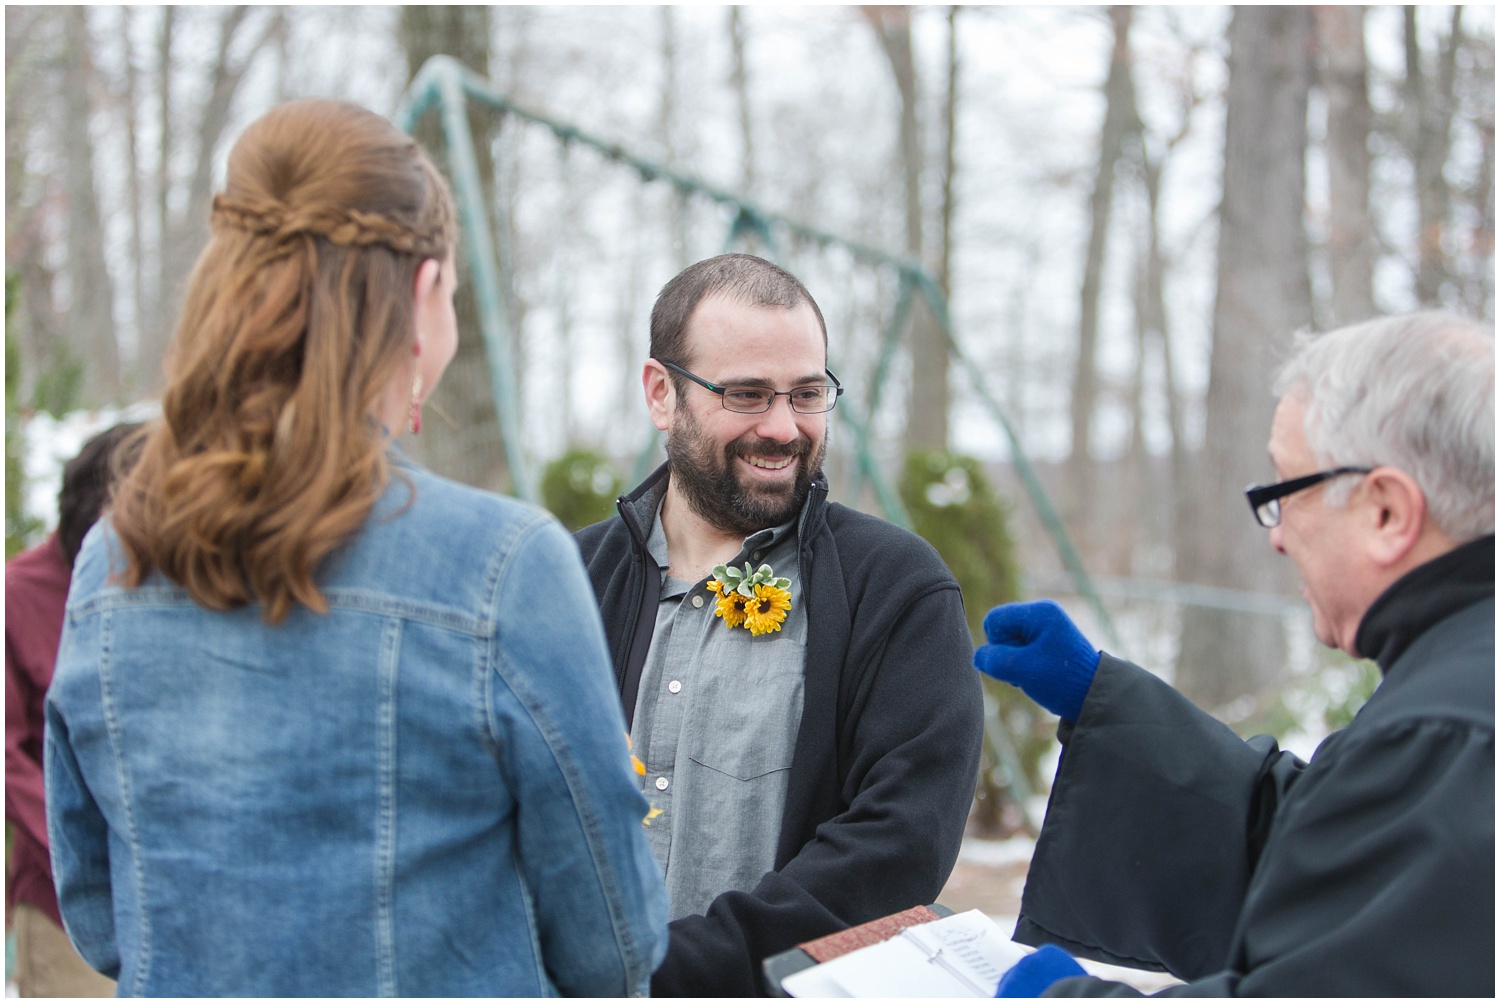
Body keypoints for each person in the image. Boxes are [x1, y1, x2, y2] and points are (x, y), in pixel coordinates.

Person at [43, 98, 667, 997]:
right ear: (422, 294)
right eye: (450, 294)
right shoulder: (501, 565)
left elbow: (104, 918)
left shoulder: (112, 559)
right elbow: (611, 941)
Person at [976, 311, 1494, 996]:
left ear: (1386, 512)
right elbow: (1336, 848)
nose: (1276, 537)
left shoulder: (1449, 737)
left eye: (1286, 491)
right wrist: (1099, 696)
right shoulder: (1458, 683)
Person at [575, 253, 984, 996]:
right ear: (662, 392)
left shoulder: (894, 589)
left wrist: (666, 971)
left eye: (806, 393)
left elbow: (897, 845)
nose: (783, 427)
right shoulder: (568, 583)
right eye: (747, 393)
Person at [6, 422, 139, 998]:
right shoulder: (16, 596)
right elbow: (6, 759)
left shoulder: (159, 583)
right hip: (63, 908)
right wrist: (77, 849)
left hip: (163, 894)